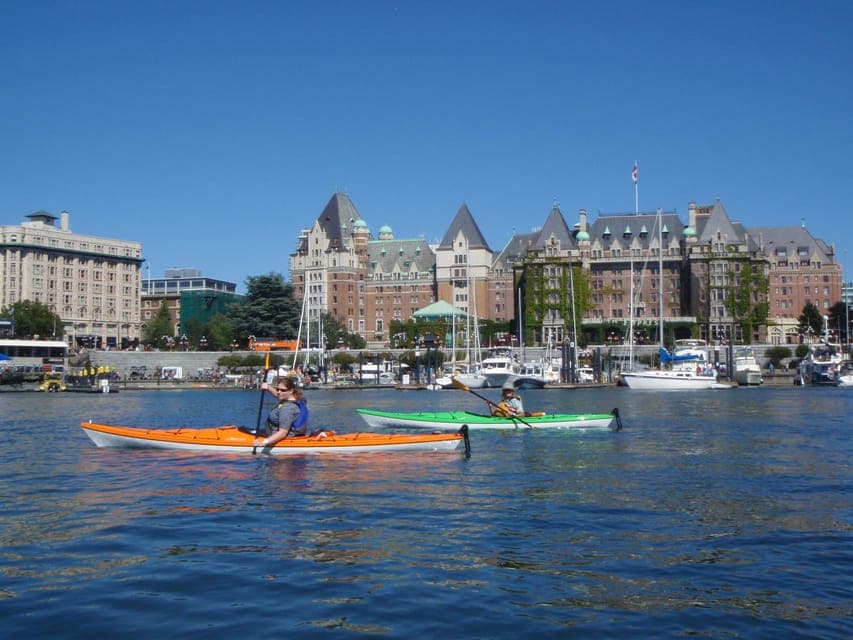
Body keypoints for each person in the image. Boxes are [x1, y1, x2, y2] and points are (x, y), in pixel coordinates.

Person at [253, 376, 310, 448]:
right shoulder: (297, 399)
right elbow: (279, 395)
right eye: (278, 389)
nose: (279, 392)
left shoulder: (287, 408)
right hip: (293, 434)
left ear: (291, 391)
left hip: (279, 438)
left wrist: (263, 443)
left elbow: (282, 433)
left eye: (282, 390)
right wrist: (268, 387)